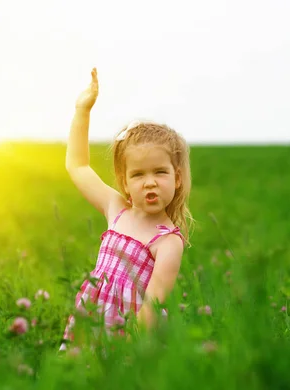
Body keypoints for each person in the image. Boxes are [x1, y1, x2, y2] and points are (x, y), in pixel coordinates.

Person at [60, 68, 193, 351]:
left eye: (160, 172)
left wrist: (129, 350)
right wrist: (82, 111)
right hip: (90, 323)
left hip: (129, 336)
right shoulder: (116, 209)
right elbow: (78, 166)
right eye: (138, 175)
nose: (150, 183)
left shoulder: (167, 241)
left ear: (177, 177)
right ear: (124, 182)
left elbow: (152, 304)